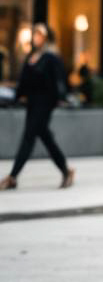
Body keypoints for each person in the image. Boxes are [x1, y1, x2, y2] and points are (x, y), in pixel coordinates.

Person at [1, 23, 75, 190]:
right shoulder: (30, 57)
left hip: (45, 103)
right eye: (35, 34)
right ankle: (66, 170)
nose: (36, 38)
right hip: (32, 103)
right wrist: (16, 97)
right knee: (46, 138)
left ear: (46, 37)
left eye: (40, 35)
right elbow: (23, 82)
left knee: (28, 138)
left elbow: (60, 81)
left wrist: (61, 97)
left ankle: (13, 176)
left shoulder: (51, 57)